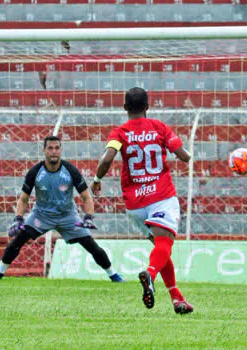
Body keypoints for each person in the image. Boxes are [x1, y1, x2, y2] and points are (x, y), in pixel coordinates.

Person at [90, 87, 193, 314]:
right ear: (148, 106)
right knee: (164, 245)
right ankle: (150, 275)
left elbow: (107, 158)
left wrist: (97, 179)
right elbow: (184, 156)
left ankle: (177, 298)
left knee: (161, 247)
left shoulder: (120, 132)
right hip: (161, 196)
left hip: (135, 204)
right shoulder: (159, 127)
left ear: (125, 107)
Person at [0, 136, 124, 282]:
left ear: (60, 150)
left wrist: (88, 217)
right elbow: (23, 198)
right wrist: (18, 218)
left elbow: (86, 197)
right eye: (50, 148)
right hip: (41, 216)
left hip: (67, 216)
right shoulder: (35, 172)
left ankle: (113, 275)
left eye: (56, 148)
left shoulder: (70, 170)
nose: (54, 152)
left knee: (91, 245)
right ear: (44, 150)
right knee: (18, 240)